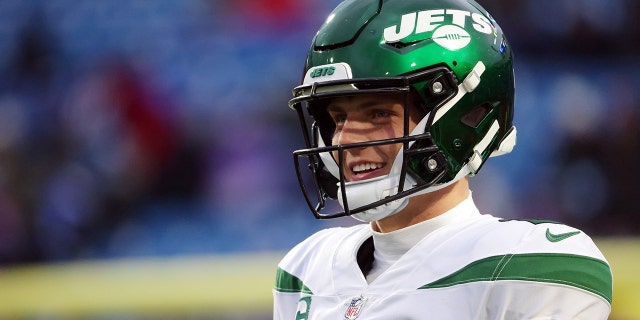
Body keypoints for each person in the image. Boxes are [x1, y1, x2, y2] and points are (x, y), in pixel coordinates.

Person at [273, 0, 613, 319]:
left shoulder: (524, 264)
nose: (345, 139)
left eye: (377, 113)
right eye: (338, 118)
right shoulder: (305, 270)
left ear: (462, 117)